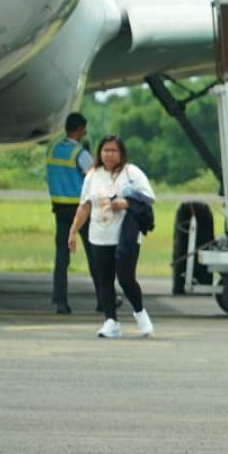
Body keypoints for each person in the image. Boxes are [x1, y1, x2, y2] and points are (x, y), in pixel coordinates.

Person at [68, 136, 157, 339]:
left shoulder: (131, 172)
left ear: (121, 153)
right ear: (99, 153)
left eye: (113, 150)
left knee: (126, 278)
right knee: (104, 280)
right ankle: (110, 321)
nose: (109, 154)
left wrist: (126, 203)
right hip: (99, 235)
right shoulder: (92, 175)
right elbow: (84, 206)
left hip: (125, 236)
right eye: (105, 150)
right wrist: (73, 232)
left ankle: (140, 313)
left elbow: (149, 197)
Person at [46, 112, 98, 314]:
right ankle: (104, 299)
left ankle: (60, 301)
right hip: (80, 210)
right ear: (79, 129)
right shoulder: (79, 153)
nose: (85, 132)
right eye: (84, 129)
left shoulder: (53, 149)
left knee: (61, 258)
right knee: (95, 255)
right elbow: (93, 177)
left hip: (59, 209)